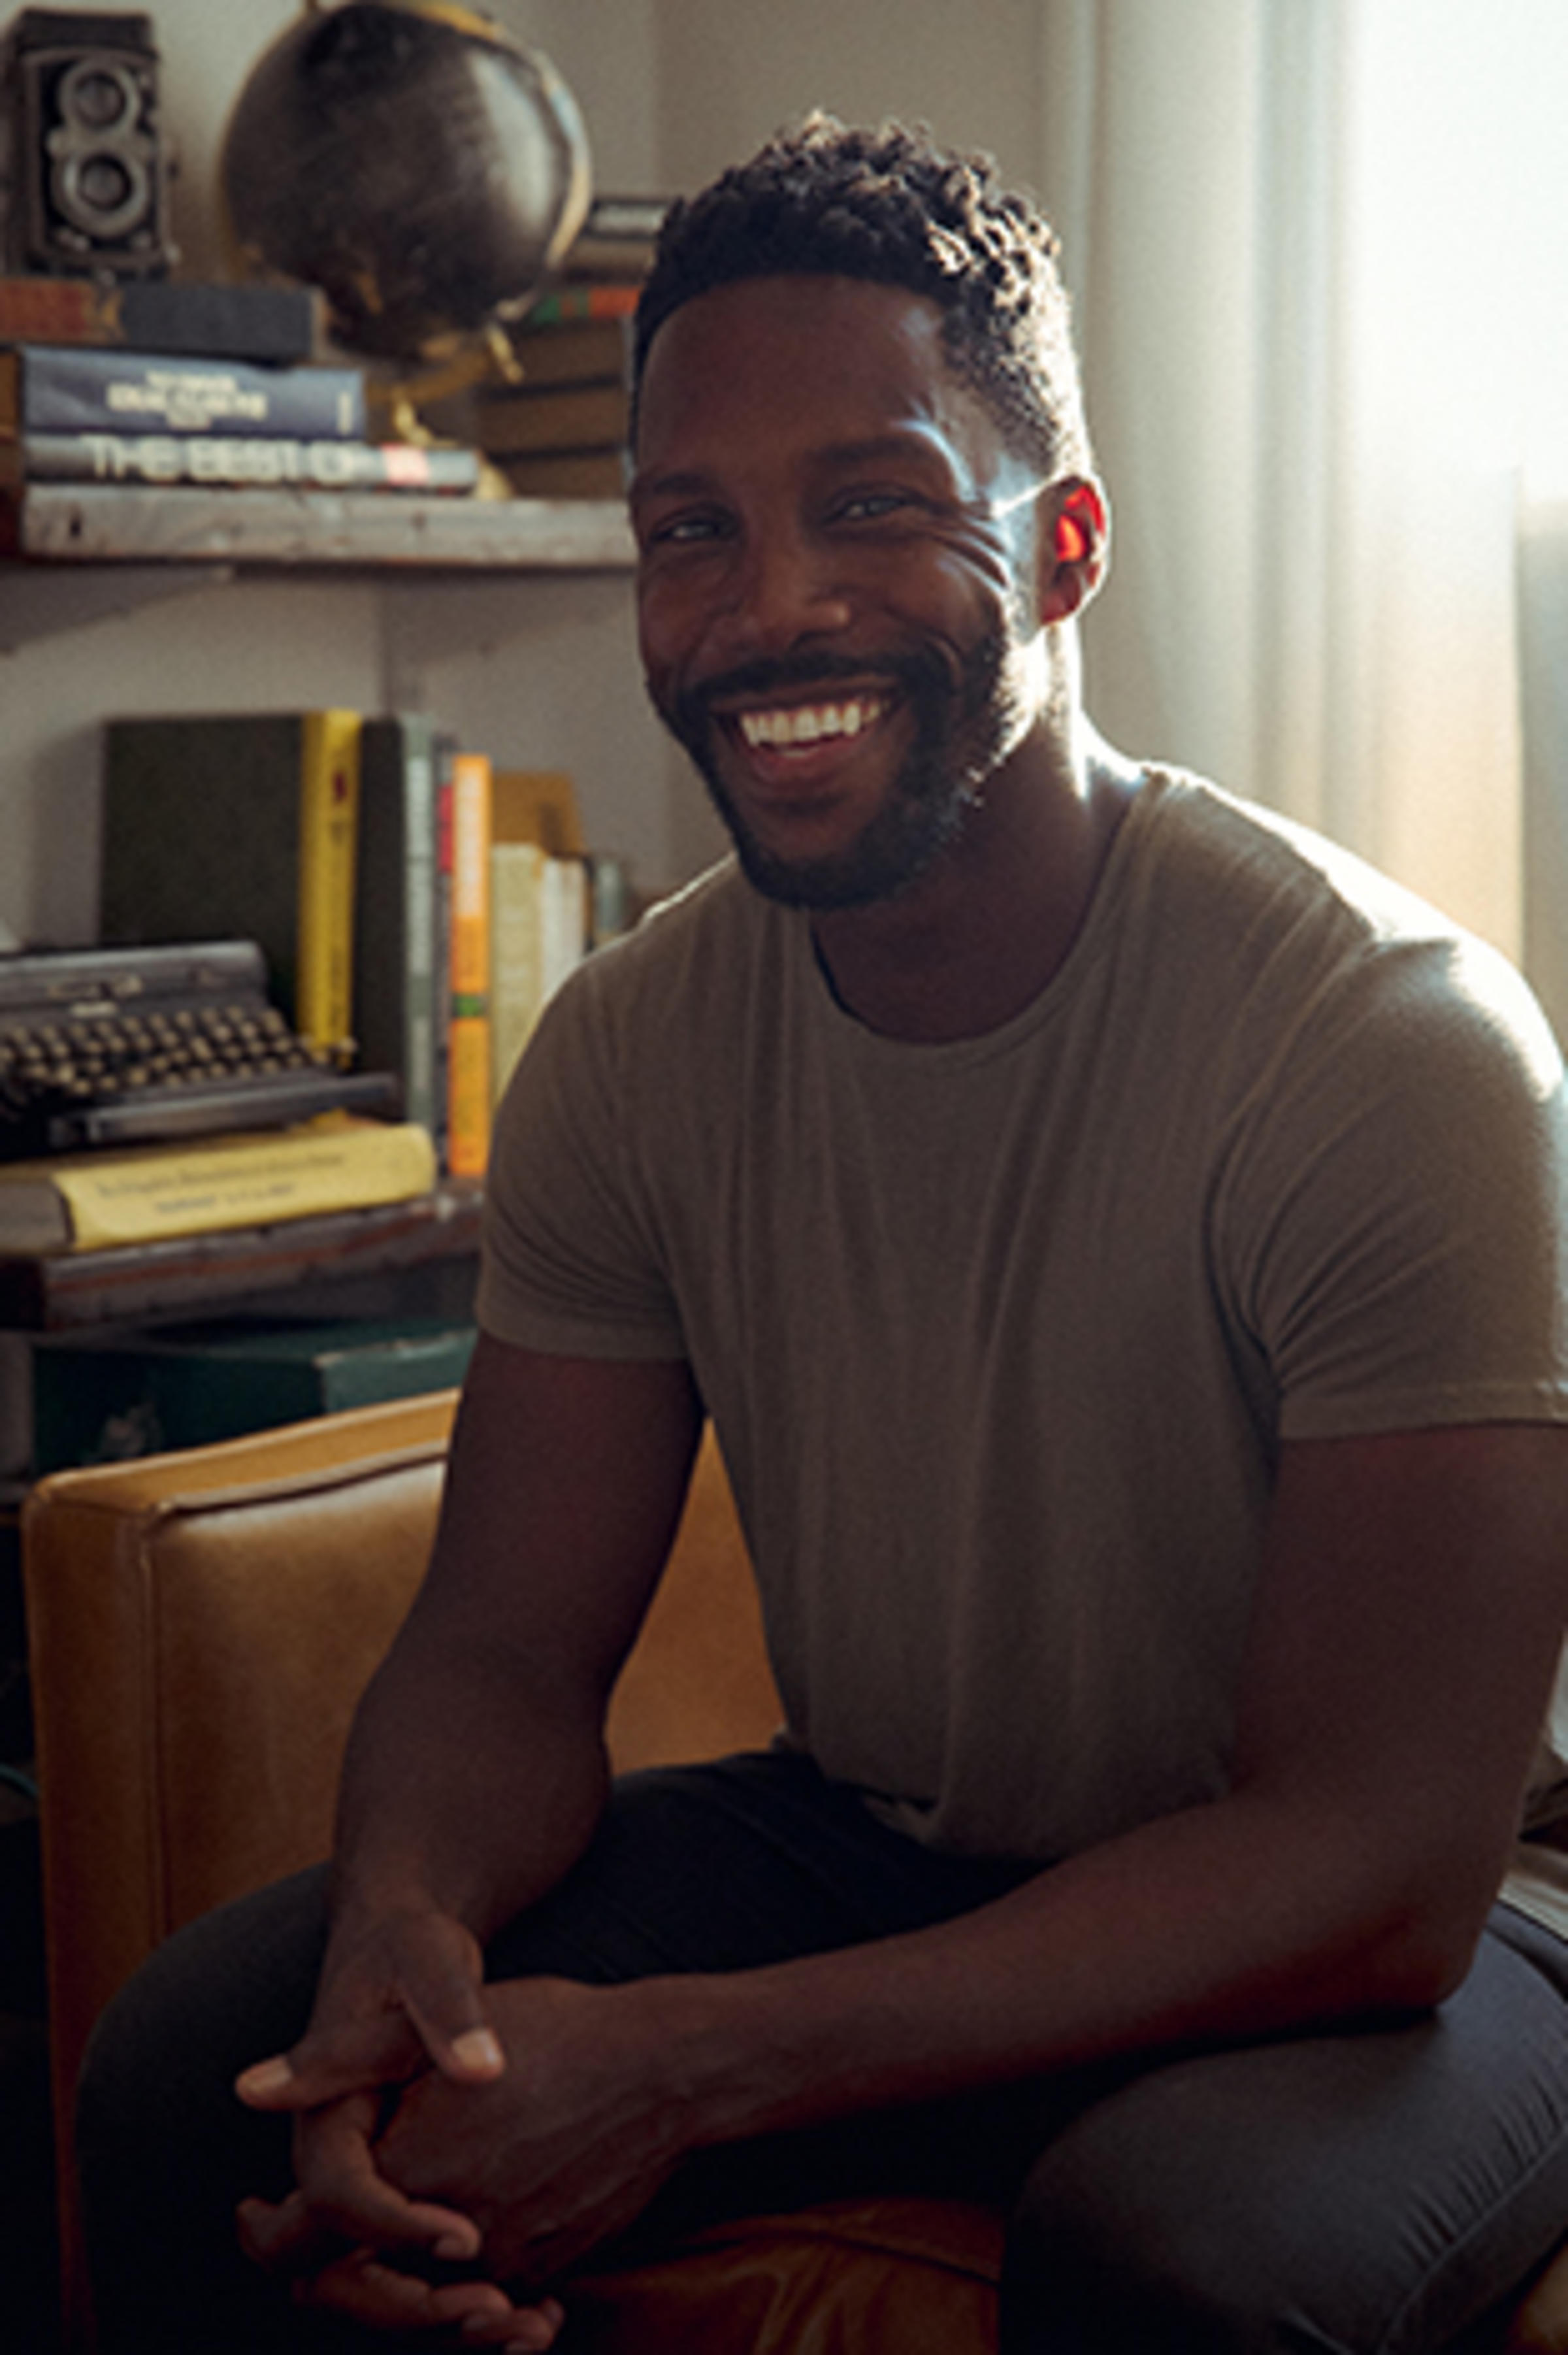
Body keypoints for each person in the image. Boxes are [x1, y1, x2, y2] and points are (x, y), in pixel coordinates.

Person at [79, 114, 1568, 2354]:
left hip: (1434, 1919)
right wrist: (407, 1930)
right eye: (693, 528)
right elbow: (501, 1654)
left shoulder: (1388, 1043)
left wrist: (687, 2065)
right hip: (888, 1842)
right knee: (208, 2075)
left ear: (1063, 548)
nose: (770, 606)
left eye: (873, 504)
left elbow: (1376, 1859)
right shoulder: (630, 1049)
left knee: (1184, 2266)